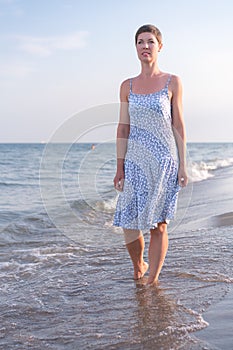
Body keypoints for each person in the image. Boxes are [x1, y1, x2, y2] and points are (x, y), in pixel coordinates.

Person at [113, 24, 188, 285]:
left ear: (160, 47)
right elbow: (123, 127)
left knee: (159, 224)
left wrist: (183, 165)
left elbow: (178, 125)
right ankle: (139, 264)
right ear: (135, 48)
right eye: (140, 42)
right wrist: (119, 166)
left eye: (150, 42)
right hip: (135, 161)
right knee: (129, 221)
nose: (145, 46)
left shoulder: (172, 82)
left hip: (165, 160)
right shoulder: (127, 86)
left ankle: (153, 278)